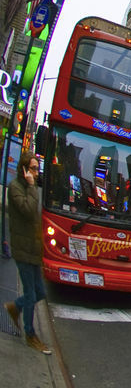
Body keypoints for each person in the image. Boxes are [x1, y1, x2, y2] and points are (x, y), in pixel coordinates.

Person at [5, 152, 53, 355]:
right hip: (22, 249)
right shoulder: (16, 187)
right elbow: (28, 210)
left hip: (33, 248)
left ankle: (15, 307)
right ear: (24, 169)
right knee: (32, 293)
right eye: (33, 168)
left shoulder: (27, 188)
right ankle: (30, 334)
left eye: (37, 169)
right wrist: (32, 186)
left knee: (40, 292)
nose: (36, 172)